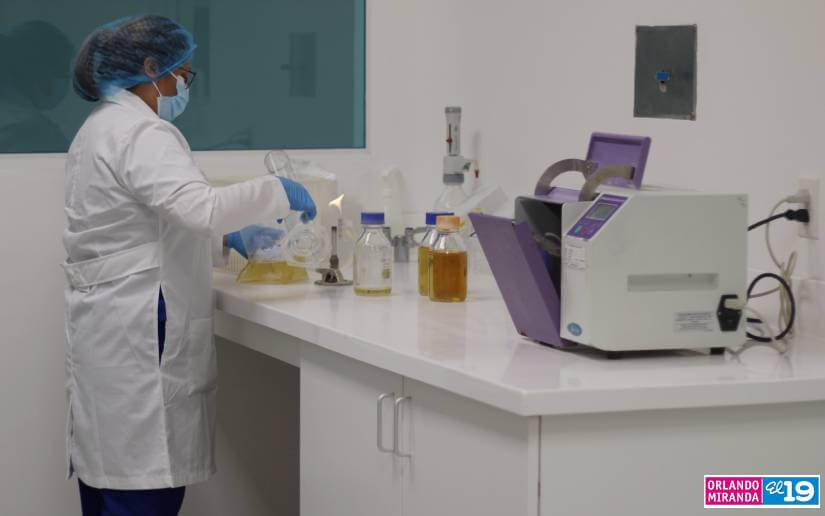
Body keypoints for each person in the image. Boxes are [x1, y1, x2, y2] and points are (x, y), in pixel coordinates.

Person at [62, 15, 315, 516]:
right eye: (183, 74)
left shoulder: (98, 129)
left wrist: (227, 241)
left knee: (111, 484)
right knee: (142, 487)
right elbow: (201, 208)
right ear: (151, 68)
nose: (184, 87)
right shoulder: (142, 133)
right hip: (140, 328)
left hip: (109, 326)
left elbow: (141, 226)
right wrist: (276, 190)